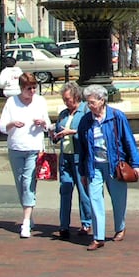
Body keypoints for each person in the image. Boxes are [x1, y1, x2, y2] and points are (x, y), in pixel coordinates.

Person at [77, 85, 139, 251]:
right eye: (87, 102)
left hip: (114, 165)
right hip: (94, 165)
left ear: (102, 100)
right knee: (94, 198)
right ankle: (98, 237)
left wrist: (136, 164)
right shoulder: (85, 121)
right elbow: (82, 148)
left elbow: (129, 140)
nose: (89, 105)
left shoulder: (116, 116)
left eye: (92, 102)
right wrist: (83, 172)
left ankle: (120, 227)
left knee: (118, 199)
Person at [0, 73, 52, 238]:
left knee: (29, 182)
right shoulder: (11, 102)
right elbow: (1, 126)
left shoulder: (40, 102)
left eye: (34, 87)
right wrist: (12, 124)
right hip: (15, 147)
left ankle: (26, 222)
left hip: (34, 147)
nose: (32, 91)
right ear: (21, 88)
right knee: (20, 182)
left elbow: (48, 124)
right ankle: (29, 213)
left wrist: (43, 123)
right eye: (29, 88)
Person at [51, 82, 93, 239]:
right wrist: (54, 134)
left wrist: (73, 132)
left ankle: (86, 223)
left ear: (76, 96)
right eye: (63, 99)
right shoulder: (63, 114)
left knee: (84, 192)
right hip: (65, 158)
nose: (65, 102)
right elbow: (57, 132)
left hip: (79, 157)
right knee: (65, 190)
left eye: (67, 99)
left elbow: (90, 132)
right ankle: (64, 225)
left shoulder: (85, 111)